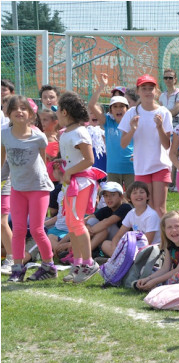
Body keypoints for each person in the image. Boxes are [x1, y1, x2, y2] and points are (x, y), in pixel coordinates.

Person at [1, 96, 56, 282]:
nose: (19, 111)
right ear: (8, 113)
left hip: (38, 188)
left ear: (31, 114)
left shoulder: (38, 136)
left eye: (24, 108)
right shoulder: (4, 134)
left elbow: (43, 161)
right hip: (17, 188)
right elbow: (3, 160)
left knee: (36, 229)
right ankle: (17, 268)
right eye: (15, 108)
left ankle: (49, 266)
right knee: (17, 230)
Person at [56, 91, 104, 283]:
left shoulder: (80, 132)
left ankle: (88, 263)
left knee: (77, 222)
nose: (56, 114)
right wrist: (64, 165)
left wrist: (69, 171)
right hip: (71, 183)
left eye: (58, 110)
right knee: (71, 223)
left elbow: (89, 160)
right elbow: (74, 158)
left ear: (65, 112)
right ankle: (77, 263)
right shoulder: (67, 132)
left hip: (81, 182)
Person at [118, 74, 173, 217]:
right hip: (142, 167)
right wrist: (133, 129)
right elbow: (123, 144)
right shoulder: (131, 113)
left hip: (161, 165)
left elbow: (167, 145)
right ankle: (147, 238)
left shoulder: (164, 112)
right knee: (146, 208)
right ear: (137, 91)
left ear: (157, 91)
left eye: (151, 88)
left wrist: (160, 127)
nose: (148, 92)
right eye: (144, 88)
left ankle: (163, 239)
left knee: (160, 209)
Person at [88, 73, 135, 190]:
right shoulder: (107, 121)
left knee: (132, 196)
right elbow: (92, 105)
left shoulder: (133, 122)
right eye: (115, 106)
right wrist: (101, 86)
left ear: (127, 109)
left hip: (131, 167)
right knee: (114, 198)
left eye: (122, 106)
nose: (118, 109)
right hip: (113, 168)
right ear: (110, 110)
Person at [102, 181, 161, 257]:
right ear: (129, 198)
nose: (138, 195)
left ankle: (123, 262)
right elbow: (118, 235)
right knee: (106, 244)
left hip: (150, 251)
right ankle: (120, 261)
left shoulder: (152, 215)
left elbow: (147, 242)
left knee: (129, 254)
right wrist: (114, 250)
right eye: (135, 193)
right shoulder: (131, 213)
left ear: (147, 196)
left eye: (141, 192)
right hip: (134, 248)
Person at [85, 181, 132, 258]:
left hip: (125, 243)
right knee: (91, 221)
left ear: (121, 196)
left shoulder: (125, 207)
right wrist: (87, 226)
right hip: (111, 244)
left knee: (106, 226)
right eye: (106, 196)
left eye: (113, 195)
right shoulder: (106, 209)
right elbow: (86, 219)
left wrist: (89, 233)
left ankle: (84, 254)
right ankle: (81, 251)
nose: (109, 198)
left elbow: (107, 222)